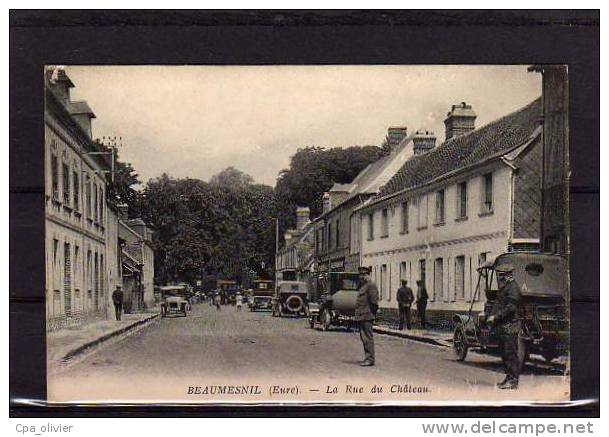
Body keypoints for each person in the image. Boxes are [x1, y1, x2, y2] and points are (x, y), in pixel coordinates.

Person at [486, 263, 523, 390]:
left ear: (508, 275)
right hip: (504, 325)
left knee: (510, 353)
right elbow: (499, 304)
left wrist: (496, 317)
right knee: (504, 352)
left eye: (502, 275)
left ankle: (513, 380)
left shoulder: (513, 288)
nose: (500, 278)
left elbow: (510, 308)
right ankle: (509, 377)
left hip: (510, 325)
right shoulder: (507, 287)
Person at [354, 266, 379, 367]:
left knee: (367, 338)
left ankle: (370, 359)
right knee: (364, 338)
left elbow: (374, 302)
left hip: (367, 315)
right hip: (362, 315)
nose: (361, 277)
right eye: (360, 275)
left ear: (367, 275)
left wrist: (372, 314)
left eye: (363, 275)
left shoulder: (371, 285)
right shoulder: (363, 286)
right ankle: (367, 357)